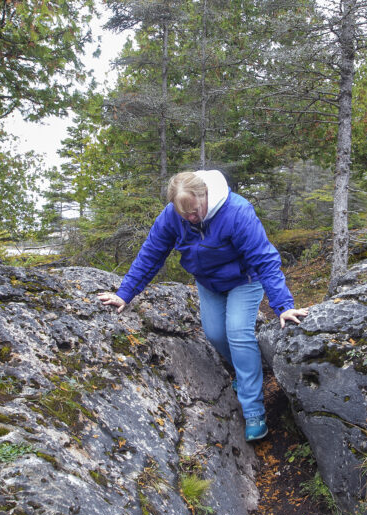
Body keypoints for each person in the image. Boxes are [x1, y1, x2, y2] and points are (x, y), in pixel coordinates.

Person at [98, 170, 308, 442]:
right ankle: (248, 374)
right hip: (209, 283)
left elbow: (264, 260)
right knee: (215, 334)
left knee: (237, 333)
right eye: (184, 213)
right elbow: (151, 253)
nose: (191, 218)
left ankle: (254, 410)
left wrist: (283, 306)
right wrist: (124, 294)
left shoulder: (236, 211)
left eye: (195, 211)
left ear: (205, 195)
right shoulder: (173, 215)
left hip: (244, 280)